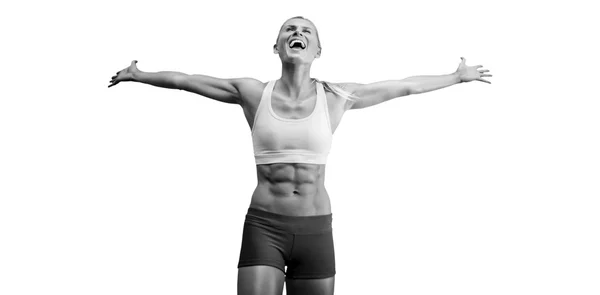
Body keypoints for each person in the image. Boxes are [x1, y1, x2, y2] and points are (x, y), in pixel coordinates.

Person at [108, 16, 492, 295]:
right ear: (276, 47)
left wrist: (456, 78)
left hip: (316, 229)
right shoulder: (253, 93)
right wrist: (140, 75)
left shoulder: (336, 97)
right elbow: (187, 82)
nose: (298, 33)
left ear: (318, 50)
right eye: (289, 29)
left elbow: (403, 87)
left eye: (306, 30)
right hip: (264, 228)